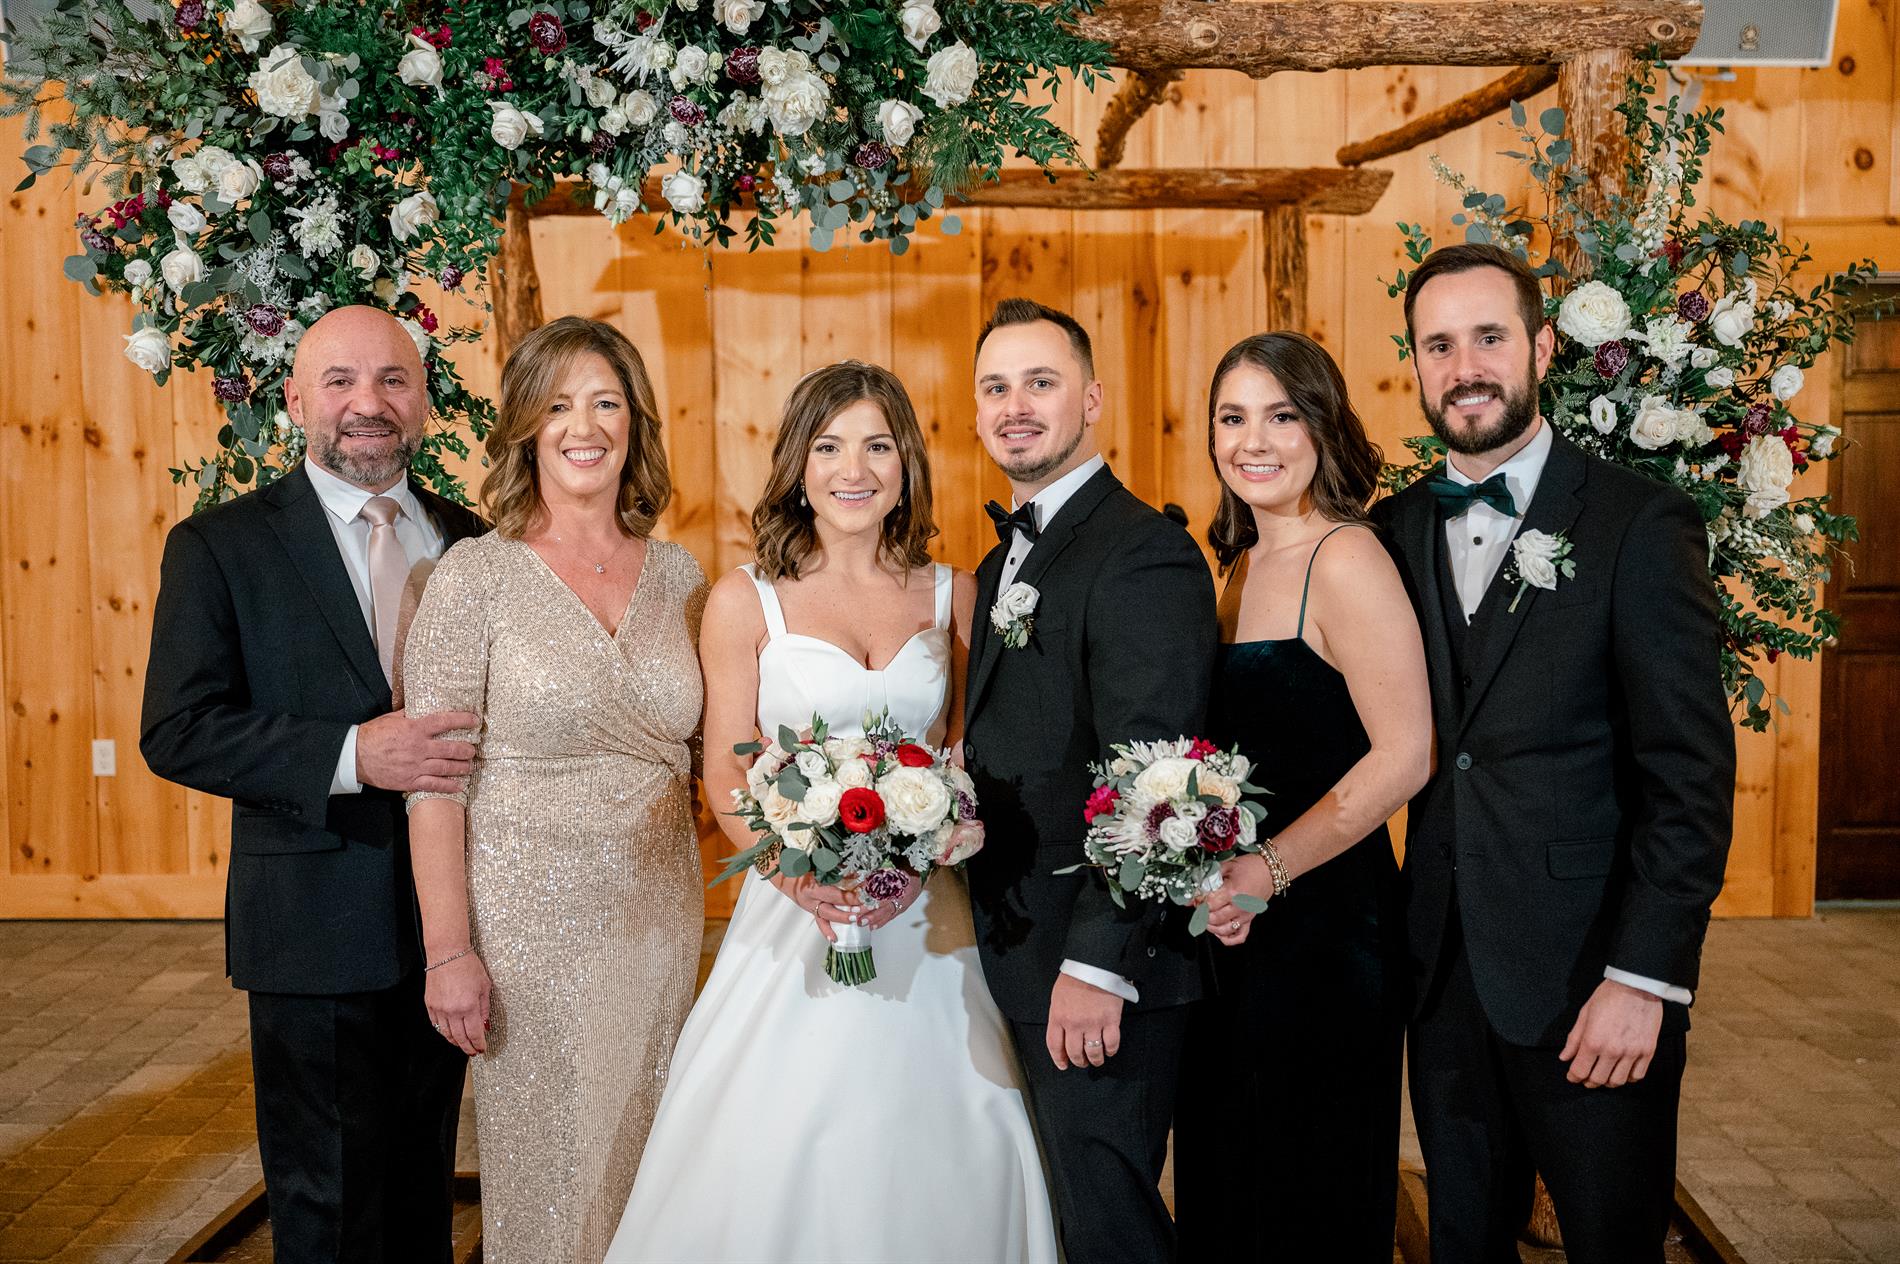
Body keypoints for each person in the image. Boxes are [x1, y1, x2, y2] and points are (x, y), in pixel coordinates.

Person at [608, 361, 1057, 1264]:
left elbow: (963, 754)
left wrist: (921, 858)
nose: (855, 470)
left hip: (927, 915)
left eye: (878, 447)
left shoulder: (956, 594)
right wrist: (798, 881)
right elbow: (726, 769)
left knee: (942, 1134)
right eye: (829, 447)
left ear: (906, 466)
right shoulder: (744, 600)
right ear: (799, 466)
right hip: (796, 909)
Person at [1370, 243, 1735, 1264]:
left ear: (1539, 348)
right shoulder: (1392, 530)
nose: (1465, 368)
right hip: (1442, 977)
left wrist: (1645, 978)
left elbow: (1690, 777)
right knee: (1463, 1243)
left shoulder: (1637, 522)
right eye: (1438, 345)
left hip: (1592, 978)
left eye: (1488, 337)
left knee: (1611, 1242)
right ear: (1415, 364)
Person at [140, 305, 483, 1263]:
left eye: (393, 380)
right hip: (310, 927)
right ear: (294, 400)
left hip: (457, 929)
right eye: (340, 381)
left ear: (424, 399)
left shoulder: (476, 544)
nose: (368, 403)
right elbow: (177, 729)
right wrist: (350, 755)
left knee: (423, 1195)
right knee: (326, 1209)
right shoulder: (221, 546)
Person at [402, 316, 707, 1264]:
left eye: (607, 402)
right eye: (559, 404)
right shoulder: (473, 577)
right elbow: (433, 786)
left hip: (659, 918)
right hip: (528, 932)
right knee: (552, 1176)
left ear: (634, 423)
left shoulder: (683, 576)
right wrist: (448, 951)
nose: (585, 426)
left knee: (656, 1164)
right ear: (527, 428)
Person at [962, 298, 1219, 1263]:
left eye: (1041, 382)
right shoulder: (1001, 559)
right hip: (1016, 954)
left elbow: (1156, 781)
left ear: (1094, 400)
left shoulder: (1143, 552)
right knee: (1060, 1222)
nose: (1016, 406)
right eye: (996, 387)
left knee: (1111, 1231)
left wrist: (1099, 964)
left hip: (1098, 967)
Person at [1172, 332, 1431, 1261]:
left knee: (1304, 1193)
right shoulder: (1240, 559)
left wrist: (1266, 870)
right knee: (1229, 1180)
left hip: (1327, 932)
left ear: (1322, 426)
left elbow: (1405, 755)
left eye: (1282, 416)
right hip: (1234, 927)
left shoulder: (1347, 557)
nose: (1254, 441)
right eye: (1232, 418)